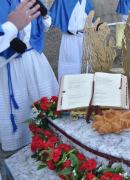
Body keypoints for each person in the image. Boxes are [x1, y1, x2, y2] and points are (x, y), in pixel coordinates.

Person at [0, 0, 59, 152]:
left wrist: (44, 14)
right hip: (12, 64)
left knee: (43, 99)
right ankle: (22, 146)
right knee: (21, 105)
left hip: (35, 58)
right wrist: (10, 44)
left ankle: (50, 140)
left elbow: (45, 27)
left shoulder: (31, 1)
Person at [50, 0, 93, 81]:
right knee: (69, 67)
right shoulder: (62, 1)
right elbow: (50, 19)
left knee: (86, 67)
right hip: (69, 39)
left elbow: (91, 19)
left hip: (85, 38)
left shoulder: (87, 1)